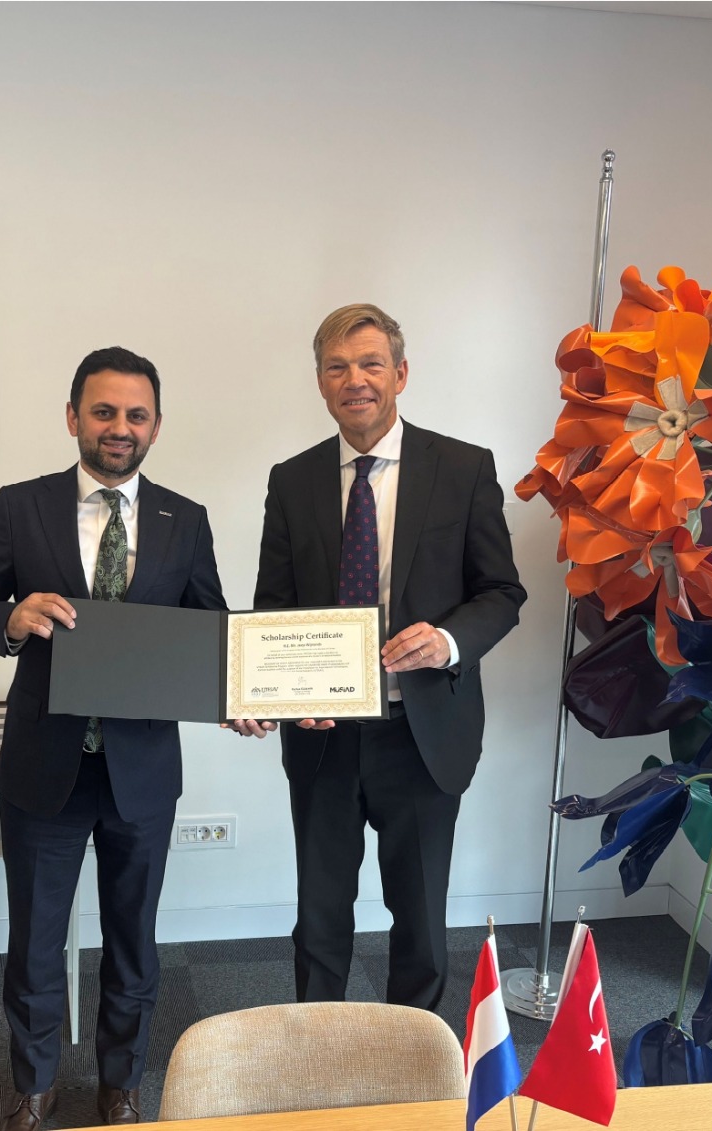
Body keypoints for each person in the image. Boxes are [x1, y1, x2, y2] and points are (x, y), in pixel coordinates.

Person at [0, 347, 226, 1130]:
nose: (119, 427)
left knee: (133, 941)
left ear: (156, 427)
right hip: (45, 767)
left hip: (143, 772)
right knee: (36, 941)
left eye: (136, 414)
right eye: (104, 411)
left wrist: (243, 693)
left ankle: (121, 1084)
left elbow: (211, 629)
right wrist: (11, 618)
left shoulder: (184, 518)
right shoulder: (21, 506)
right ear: (74, 416)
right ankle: (34, 1082)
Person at [229, 303, 525, 1012]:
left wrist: (447, 641)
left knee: (420, 921)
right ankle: (317, 1052)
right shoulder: (292, 479)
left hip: (422, 734)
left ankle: (413, 1061)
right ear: (320, 382)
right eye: (337, 367)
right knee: (319, 919)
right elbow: (274, 607)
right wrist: (271, 694)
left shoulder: (462, 468)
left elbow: (501, 592)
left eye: (370, 364)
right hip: (322, 734)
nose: (354, 380)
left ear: (401, 373)